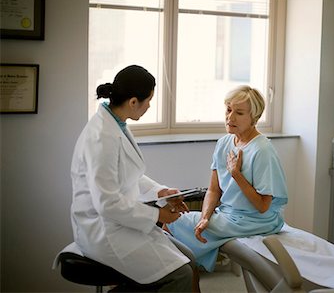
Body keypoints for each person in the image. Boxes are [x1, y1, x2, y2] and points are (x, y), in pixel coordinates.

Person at [70, 65, 196, 292]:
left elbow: (127, 175)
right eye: (148, 100)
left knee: (189, 258)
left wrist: (161, 192)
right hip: (104, 231)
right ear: (133, 102)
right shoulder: (101, 137)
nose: (149, 106)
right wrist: (159, 214)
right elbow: (108, 204)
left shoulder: (115, 123)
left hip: (119, 223)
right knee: (182, 275)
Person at [166, 85, 288, 272]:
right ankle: (191, 281)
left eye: (239, 113)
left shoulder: (262, 150)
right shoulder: (224, 143)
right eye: (228, 110)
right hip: (229, 214)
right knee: (175, 223)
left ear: (254, 118)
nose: (230, 117)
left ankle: (189, 283)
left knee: (172, 222)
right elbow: (214, 190)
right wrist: (205, 217)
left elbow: (263, 206)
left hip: (256, 220)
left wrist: (237, 175)